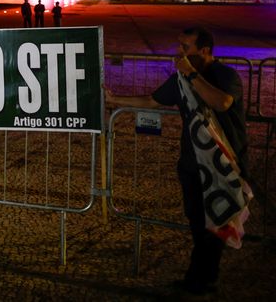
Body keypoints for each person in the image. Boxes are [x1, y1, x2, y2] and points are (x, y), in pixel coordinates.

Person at [104, 27, 251, 296]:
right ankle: (205, 278)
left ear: (204, 50)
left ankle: (198, 281)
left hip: (224, 164)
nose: (179, 52)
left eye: (186, 47)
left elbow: (222, 102)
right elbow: (152, 99)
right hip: (192, 164)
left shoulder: (224, 75)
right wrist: (115, 99)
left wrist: (192, 74)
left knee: (215, 225)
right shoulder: (181, 78)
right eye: (179, 46)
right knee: (198, 222)